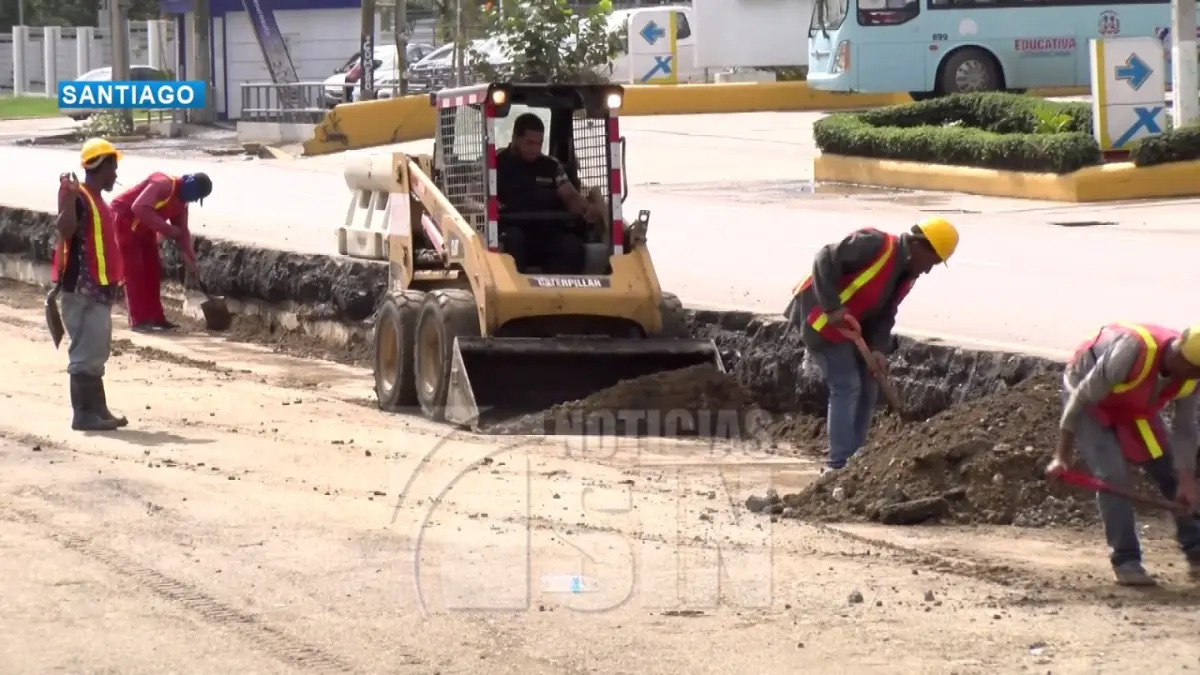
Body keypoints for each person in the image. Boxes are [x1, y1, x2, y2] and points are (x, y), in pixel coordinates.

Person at [785, 218, 959, 471]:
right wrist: (833, 307)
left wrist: (877, 348)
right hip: (819, 318)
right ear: (919, 245)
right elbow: (824, 258)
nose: (928, 270)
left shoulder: (907, 275)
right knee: (846, 384)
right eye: (932, 262)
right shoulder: (875, 244)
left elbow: (886, 312)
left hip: (854, 326)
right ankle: (839, 464)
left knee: (869, 386)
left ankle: (856, 461)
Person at [1047, 323, 1200, 586]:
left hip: (1133, 405)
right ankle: (1126, 560)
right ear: (1180, 358)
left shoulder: (1191, 374)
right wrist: (1061, 455)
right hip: (1090, 401)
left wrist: (1187, 479)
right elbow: (1081, 397)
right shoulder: (1132, 351)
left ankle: (1196, 549)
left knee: (1172, 471)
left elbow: (1184, 429)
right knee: (1112, 475)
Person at [52, 138, 128, 431]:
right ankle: (83, 414)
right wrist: (70, 198)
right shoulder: (79, 196)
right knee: (86, 351)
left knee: (96, 350)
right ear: (101, 165)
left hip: (98, 289)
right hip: (81, 289)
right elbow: (65, 229)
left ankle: (99, 410)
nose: (115, 174)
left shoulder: (95, 199)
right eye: (113, 167)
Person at [495, 112, 605, 274]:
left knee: (572, 246)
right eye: (530, 143)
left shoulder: (552, 166)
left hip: (547, 231)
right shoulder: (496, 164)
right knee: (512, 240)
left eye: (539, 144)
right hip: (512, 229)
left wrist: (586, 209)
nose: (535, 149)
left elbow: (570, 195)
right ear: (515, 138)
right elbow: (475, 197)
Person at [112, 171, 211, 332]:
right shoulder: (162, 184)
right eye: (195, 195)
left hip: (146, 227)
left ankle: (156, 318)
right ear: (190, 185)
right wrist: (167, 229)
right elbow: (138, 207)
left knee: (152, 269)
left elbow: (182, 232)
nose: (193, 200)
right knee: (134, 270)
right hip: (124, 220)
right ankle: (138, 320)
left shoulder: (182, 203)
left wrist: (191, 260)